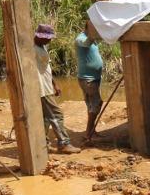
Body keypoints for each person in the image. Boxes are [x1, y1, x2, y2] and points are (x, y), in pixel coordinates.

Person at [35, 24, 80, 154]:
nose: (50, 40)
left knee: (45, 117)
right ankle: (64, 143)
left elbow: (45, 68)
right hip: (41, 88)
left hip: (46, 86)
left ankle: (43, 144)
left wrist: (54, 84)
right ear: (40, 37)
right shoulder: (32, 49)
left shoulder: (41, 46)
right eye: (48, 38)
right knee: (56, 114)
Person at [75, 24, 104, 142]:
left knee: (91, 105)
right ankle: (88, 133)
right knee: (97, 103)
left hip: (93, 78)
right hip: (87, 79)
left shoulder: (93, 40)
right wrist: (93, 33)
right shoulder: (80, 39)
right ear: (89, 28)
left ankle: (91, 131)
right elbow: (86, 43)